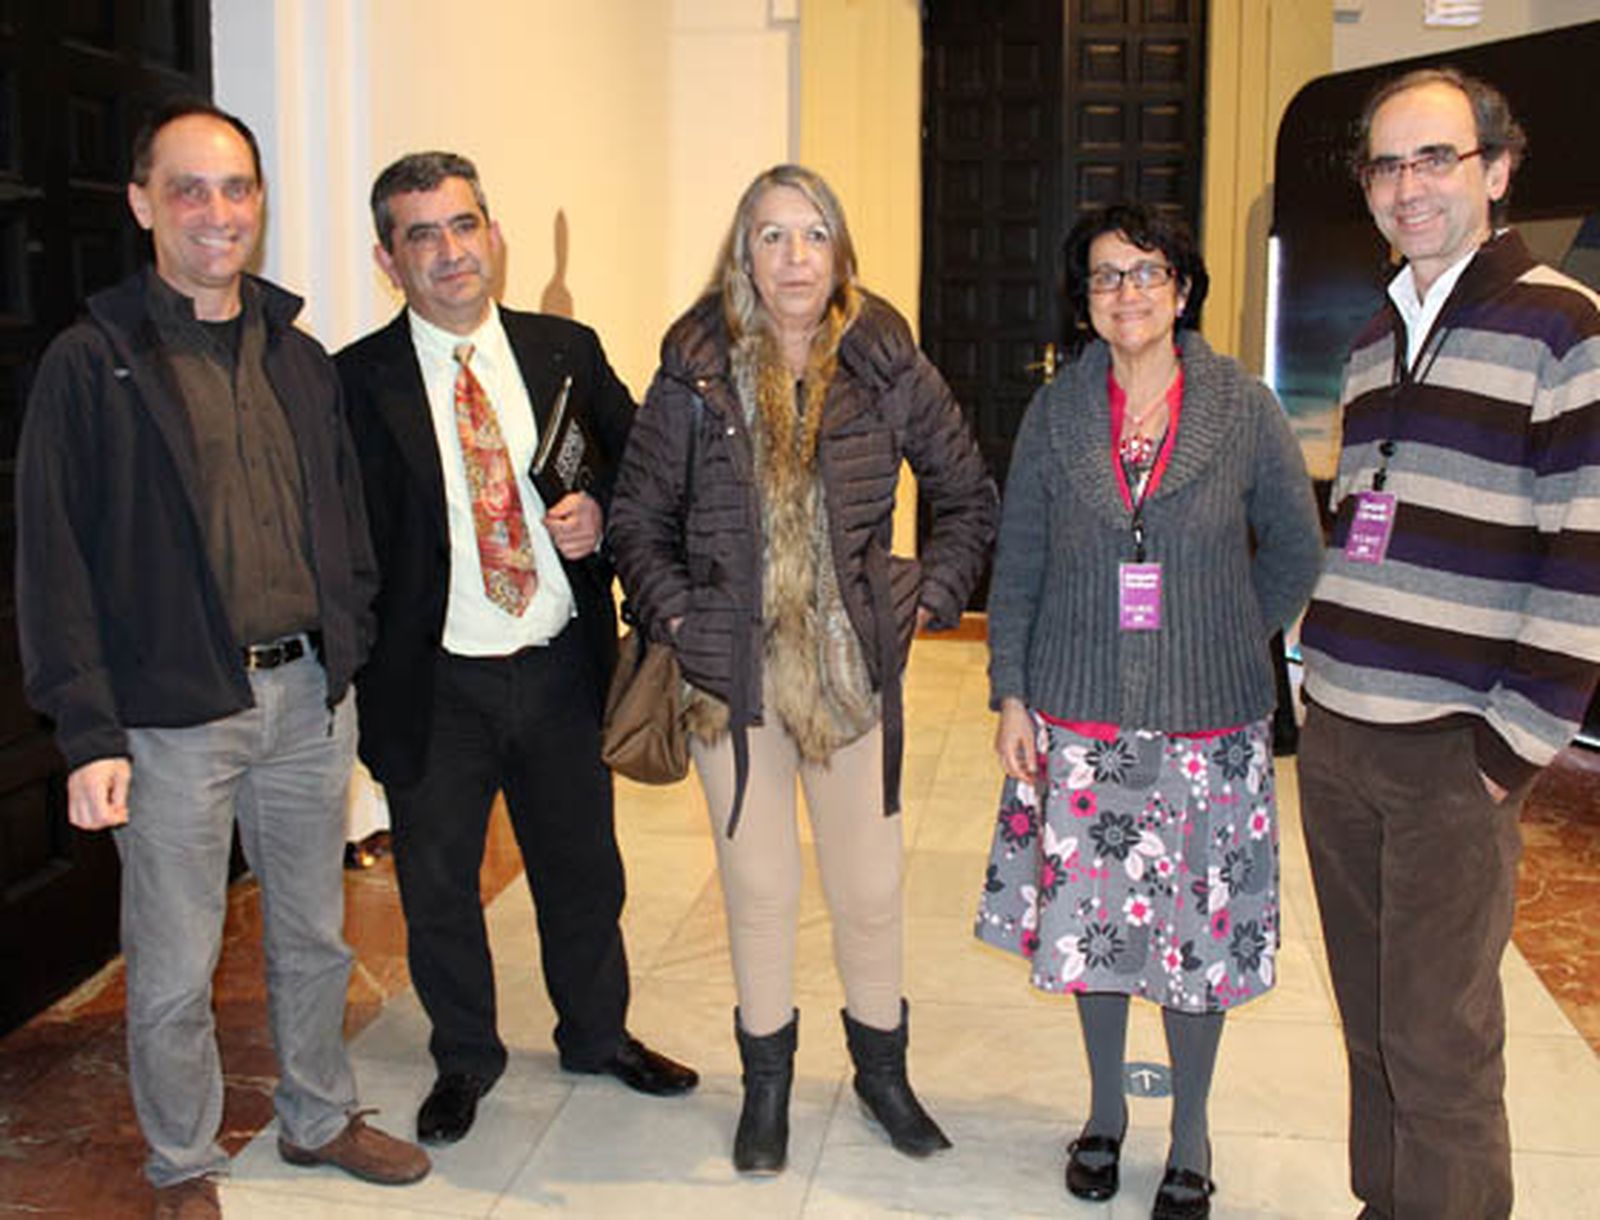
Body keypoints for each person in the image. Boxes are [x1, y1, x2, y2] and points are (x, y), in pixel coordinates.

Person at [13, 101, 430, 1220]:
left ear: (259, 203)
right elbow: (53, 562)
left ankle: (318, 1114)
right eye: (188, 189)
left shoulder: (298, 357)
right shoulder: (91, 363)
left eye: (236, 187)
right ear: (142, 203)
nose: (216, 211)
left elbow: (341, 518)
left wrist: (348, 640)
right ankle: (182, 1162)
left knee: (313, 934)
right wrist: (88, 732)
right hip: (170, 717)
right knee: (172, 960)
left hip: (307, 699)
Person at [608, 164, 996, 1175]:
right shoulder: (694, 367)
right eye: (771, 235)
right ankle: (767, 1088)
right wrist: (679, 613)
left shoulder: (884, 359)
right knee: (759, 887)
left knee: (868, 889)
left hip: (847, 676)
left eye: (813, 233)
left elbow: (967, 491)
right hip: (728, 679)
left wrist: (928, 596)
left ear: (840, 251)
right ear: (743, 252)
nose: (793, 257)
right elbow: (635, 517)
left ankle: (882, 1075)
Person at [335, 151, 697, 1147]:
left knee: (584, 871)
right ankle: (464, 1056)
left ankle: (597, 1034)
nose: (450, 251)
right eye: (422, 235)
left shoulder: (562, 350)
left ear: (493, 235)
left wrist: (603, 512)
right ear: (388, 259)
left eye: (464, 225)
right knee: (440, 886)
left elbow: (644, 474)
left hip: (557, 667)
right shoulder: (354, 382)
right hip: (433, 681)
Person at [976, 203, 1323, 1220]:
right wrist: (1011, 691)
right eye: (1104, 276)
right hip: (1079, 716)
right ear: (1082, 300)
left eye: (1146, 272)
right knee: (1092, 932)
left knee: (1194, 942)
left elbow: (1297, 547)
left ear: (1183, 288)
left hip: (1208, 727)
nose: (1125, 292)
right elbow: (1019, 562)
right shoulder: (1056, 413)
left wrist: (1228, 634)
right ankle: (1102, 1113)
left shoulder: (1243, 406)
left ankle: (1192, 1131)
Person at [1297, 68, 1600, 1220]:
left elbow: (1585, 555)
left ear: (1498, 169)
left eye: (1435, 157)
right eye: (1385, 163)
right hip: (1342, 733)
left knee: (1440, 1039)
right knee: (1372, 1024)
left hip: (1450, 752)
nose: (1407, 185)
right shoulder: (1374, 337)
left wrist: (1507, 748)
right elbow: (1364, 521)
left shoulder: (1564, 327)